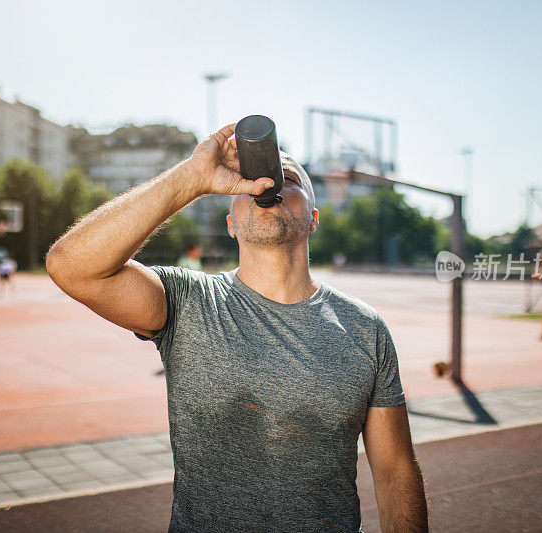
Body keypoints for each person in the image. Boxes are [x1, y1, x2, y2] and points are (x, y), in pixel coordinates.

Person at [46, 124, 428, 532]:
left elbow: (394, 471)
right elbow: (70, 265)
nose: (265, 186)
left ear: (313, 218)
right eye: (247, 185)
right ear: (231, 224)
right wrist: (191, 178)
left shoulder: (364, 328)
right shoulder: (188, 299)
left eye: (287, 180)